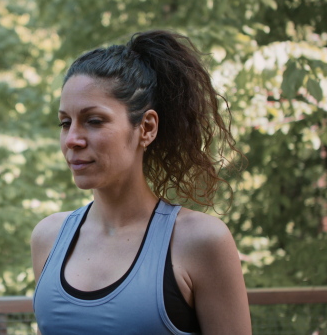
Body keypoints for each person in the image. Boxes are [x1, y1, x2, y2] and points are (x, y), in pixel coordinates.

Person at [31, 30, 251, 334]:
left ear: (146, 128)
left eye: (94, 121)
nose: (72, 140)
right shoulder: (48, 238)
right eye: (65, 123)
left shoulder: (200, 241)